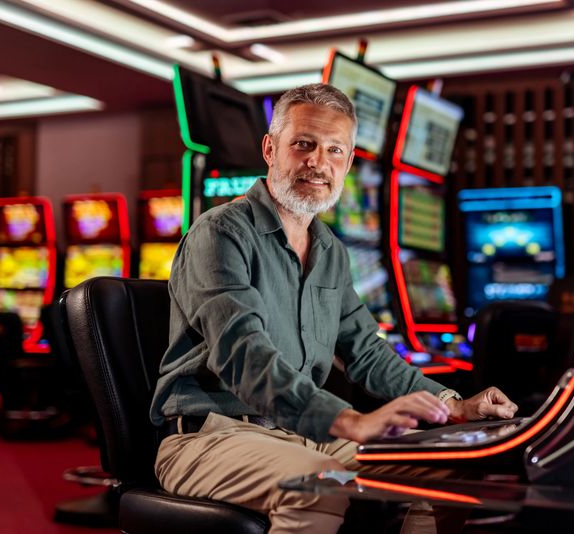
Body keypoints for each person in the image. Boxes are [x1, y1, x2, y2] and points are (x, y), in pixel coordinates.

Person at [150, 83, 518, 533]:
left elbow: (366, 350)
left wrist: (452, 404)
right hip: (212, 436)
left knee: (445, 472)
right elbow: (244, 356)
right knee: (319, 487)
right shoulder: (221, 233)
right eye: (303, 144)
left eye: (334, 150)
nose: (317, 162)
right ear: (270, 148)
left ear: (347, 163)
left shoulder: (330, 251)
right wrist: (348, 421)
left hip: (302, 436)